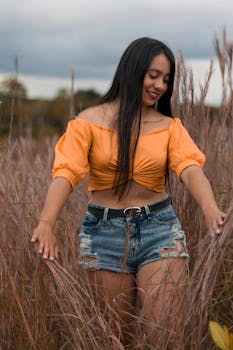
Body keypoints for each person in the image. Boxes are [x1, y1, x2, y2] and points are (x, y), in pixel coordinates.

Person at [31, 38, 226, 348]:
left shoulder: (169, 127)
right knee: (113, 340)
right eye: (153, 75)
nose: (160, 85)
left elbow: (190, 169)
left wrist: (210, 208)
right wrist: (46, 222)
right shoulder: (88, 122)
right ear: (132, 69)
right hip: (103, 234)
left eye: (166, 79)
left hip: (159, 230)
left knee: (165, 338)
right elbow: (66, 173)